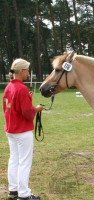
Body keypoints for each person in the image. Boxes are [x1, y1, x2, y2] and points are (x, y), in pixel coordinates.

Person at [3, 58, 43, 200]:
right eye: (27, 70)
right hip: (22, 130)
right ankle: (24, 194)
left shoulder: (9, 87)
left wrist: (28, 99)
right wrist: (37, 109)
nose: (28, 72)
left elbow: (11, 107)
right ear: (22, 71)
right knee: (24, 162)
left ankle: (13, 190)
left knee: (14, 160)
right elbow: (27, 112)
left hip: (11, 130)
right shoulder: (21, 88)